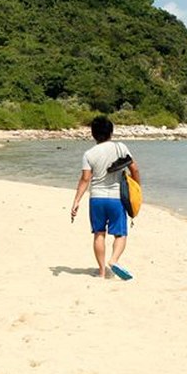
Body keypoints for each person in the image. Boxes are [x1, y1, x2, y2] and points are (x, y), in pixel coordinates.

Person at [70, 115, 140, 279]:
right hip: (117, 199)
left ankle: (101, 272)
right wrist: (137, 188)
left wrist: (76, 201)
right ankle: (114, 260)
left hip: (97, 199)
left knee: (99, 234)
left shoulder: (89, 154)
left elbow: (85, 179)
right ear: (111, 132)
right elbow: (134, 170)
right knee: (120, 234)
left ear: (93, 134)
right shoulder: (121, 147)